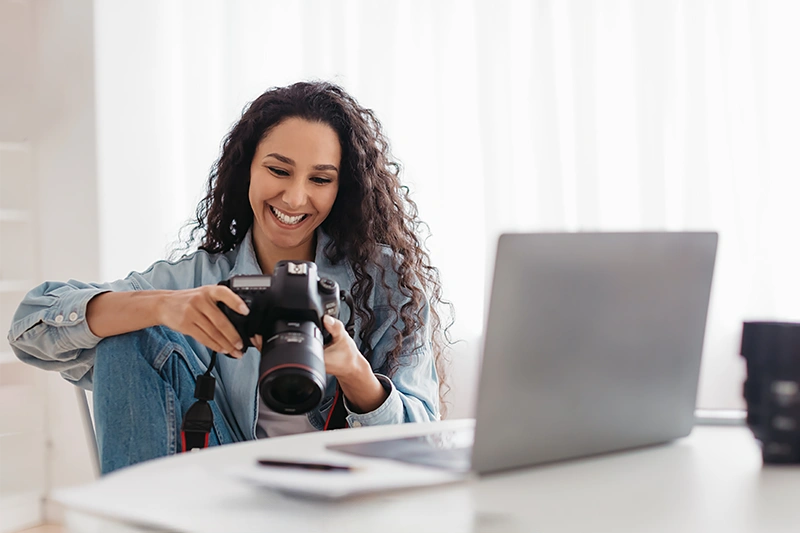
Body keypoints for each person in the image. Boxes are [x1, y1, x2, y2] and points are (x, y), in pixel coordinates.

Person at [7, 81, 451, 474]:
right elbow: (28, 327)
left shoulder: (385, 283)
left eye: (320, 179)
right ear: (248, 170)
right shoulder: (201, 279)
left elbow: (424, 444)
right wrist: (164, 306)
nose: (295, 197)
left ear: (342, 188)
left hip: (346, 484)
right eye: (278, 170)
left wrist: (353, 371)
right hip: (231, 482)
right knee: (129, 330)